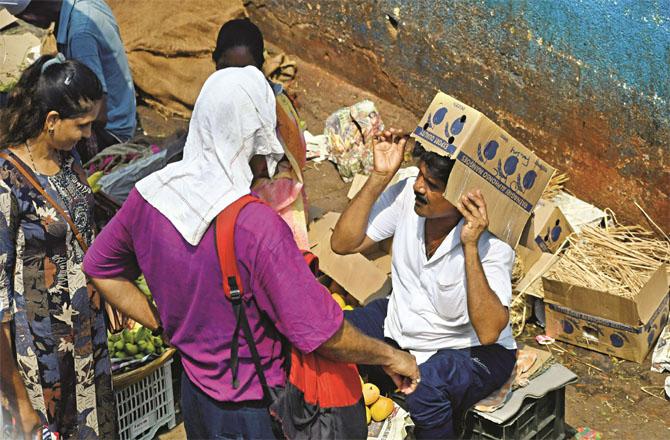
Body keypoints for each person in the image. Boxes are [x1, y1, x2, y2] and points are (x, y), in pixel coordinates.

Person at [83, 66, 420, 439]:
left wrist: (164, 324)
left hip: (196, 399)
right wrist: (391, 356)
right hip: (256, 410)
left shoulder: (150, 195)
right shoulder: (255, 226)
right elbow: (323, 333)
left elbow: (100, 268)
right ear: (253, 136)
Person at [331, 133, 517, 438]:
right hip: (400, 326)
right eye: (420, 175)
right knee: (329, 332)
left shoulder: (491, 244)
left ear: (463, 196)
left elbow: (488, 332)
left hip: (466, 349)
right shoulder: (407, 193)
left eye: (432, 185)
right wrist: (380, 177)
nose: (419, 186)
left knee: (427, 389)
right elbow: (342, 243)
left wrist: (469, 246)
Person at [0, 54, 116, 438]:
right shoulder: (8, 183)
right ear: (51, 121)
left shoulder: (70, 160)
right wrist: (18, 400)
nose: (88, 134)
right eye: (80, 125)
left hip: (86, 343)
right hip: (40, 355)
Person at [212, 18, 310, 248]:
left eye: (245, 71)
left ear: (260, 67)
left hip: (271, 191)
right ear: (214, 61)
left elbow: (252, 169)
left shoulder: (265, 106)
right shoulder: (218, 94)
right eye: (227, 69)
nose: (235, 79)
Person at [12, 0, 137, 161]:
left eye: (23, 17)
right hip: (122, 111)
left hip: (111, 130)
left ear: (31, 14)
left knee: (32, 135)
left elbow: (98, 106)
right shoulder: (85, 5)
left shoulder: (80, 36)